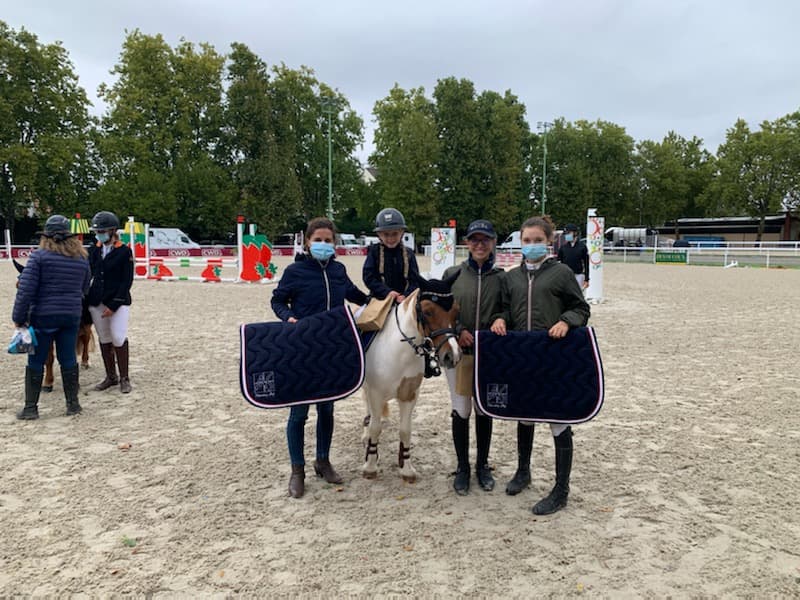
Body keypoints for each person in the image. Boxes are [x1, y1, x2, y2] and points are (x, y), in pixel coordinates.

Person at [494, 216, 591, 515]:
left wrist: (565, 321)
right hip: (524, 355)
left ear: (549, 242)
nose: (532, 245)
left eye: (538, 240)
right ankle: (524, 471)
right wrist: (500, 319)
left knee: (558, 419)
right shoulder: (510, 277)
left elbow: (581, 308)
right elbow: (506, 309)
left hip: (554, 356)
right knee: (525, 415)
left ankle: (561, 489)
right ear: (520, 243)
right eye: (527, 241)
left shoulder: (561, 273)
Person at [272, 217, 368, 498]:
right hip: (302, 348)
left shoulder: (338, 270)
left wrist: (383, 300)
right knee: (299, 412)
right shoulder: (295, 271)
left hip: (331, 349)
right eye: (318, 240)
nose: (323, 245)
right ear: (307, 242)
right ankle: (297, 470)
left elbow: (355, 295)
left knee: (326, 409)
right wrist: (288, 317)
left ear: (334, 243)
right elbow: (277, 300)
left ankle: (322, 461)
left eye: (328, 240)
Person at [443, 219, 506, 495]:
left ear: (493, 243)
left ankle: (482, 465)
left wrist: (501, 318)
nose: (480, 244)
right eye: (474, 240)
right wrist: (458, 330)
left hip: (489, 354)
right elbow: (443, 312)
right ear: (467, 243)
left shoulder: (502, 277)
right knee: (461, 408)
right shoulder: (452, 274)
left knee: (483, 408)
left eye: (485, 239)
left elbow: (508, 309)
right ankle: (463, 467)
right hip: (460, 353)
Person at [12, 215, 91, 420]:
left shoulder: (39, 257)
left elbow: (26, 290)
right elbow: (84, 287)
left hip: (43, 316)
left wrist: (18, 317)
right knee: (68, 358)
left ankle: (31, 408)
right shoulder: (81, 257)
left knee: (36, 360)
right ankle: (73, 404)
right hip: (71, 315)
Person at [87, 211, 134, 394]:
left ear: (113, 230)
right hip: (96, 300)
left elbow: (126, 281)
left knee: (118, 336)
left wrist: (114, 305)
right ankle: (110, 376)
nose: (99, 234)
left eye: (103, 231)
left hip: (118, 301)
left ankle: (124, 377)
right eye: (98, 231)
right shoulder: (94, 250)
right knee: (104, 338)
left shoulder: (124, 251)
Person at [363, 208, 419, 303]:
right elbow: (368, 277)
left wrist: (406, 295)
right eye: (386, 234)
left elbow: (415, 280)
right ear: (379, 234)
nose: (390, 238)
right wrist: (387, 292)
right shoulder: (374, 252)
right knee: (365, 317)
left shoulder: (409, 253)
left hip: (404, 300)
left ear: (402, 232)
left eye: (395, 234)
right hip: (379, 299)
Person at [556, 223, 590, 289]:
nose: (566, 235)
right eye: (565, 233)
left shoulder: (582, 247)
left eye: (568, 233)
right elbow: (559, 263)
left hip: (579, 275)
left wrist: (587, 279)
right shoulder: (563, 248)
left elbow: (586, 263)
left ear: (575, 233)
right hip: (565, 275)